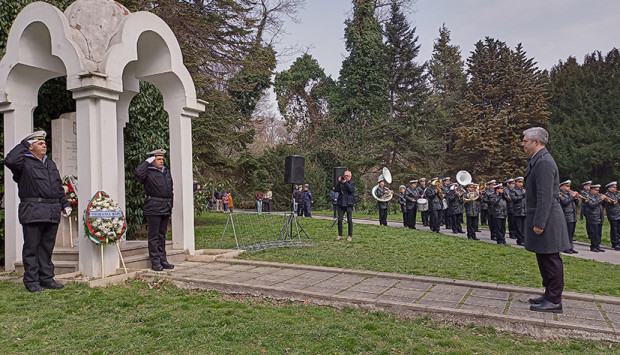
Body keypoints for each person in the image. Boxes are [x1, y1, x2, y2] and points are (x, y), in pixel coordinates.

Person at [5, 131, 71, 292]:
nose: (44, 145)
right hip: (33, 210)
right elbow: (10, 160)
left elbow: (57, 186)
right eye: (39, 143)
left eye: (44, 143)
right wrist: (23, 145)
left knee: (47, 248)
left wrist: (65, 204)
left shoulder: (50, 164)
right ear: (31, 146)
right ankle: (31, 281)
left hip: (51, 211)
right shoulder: (24, 163)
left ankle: (46, 278)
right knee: (32, 247)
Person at [522, 127, 570, 313]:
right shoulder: (538, 160)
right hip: (543, 216)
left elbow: (545, 197)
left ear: (536, 142)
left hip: (547, 218)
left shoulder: (544, 162)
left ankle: (555, 300)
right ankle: (549, 294)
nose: (522, 144)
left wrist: (540, 223)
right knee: (543, 257)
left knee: (551, 259)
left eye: (525, 141)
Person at [134, 149, 175, 272]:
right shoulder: (147, 172)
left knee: (162, 235)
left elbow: (170, 188)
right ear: (152, 160)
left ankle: (163, 259)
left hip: (166, 206)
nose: (161, 161)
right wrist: (146, 162)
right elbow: (137, 173)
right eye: (158, 159)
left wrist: (170, 204)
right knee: (154, 236)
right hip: (153, 206)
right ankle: (155, 261)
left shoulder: (166, 171)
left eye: (162, 159)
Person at [558, 180, 579, 254]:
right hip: (566, 215)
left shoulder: (569, 194)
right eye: (567, 186)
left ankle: (570, 247)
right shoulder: (560, 193)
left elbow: (576, 204)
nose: (569, 188)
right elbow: (564, 202)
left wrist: (576, 198)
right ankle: (565, 247)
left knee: (571, 233)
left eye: (569, 186)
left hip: (572, 215)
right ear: (562, 186)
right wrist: (572, 196)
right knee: (566, 233)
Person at [335, 171, 356, 241]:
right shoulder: (341, 183)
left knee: (349, 220)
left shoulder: (352, 183)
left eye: (347, 176)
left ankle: (350, 235)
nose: (345, 177)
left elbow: (351, 190)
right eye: (345, 175)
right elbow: (336, 189)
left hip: (348, 203)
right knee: (340, 220)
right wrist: (339, 181)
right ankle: (340, 235)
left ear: (350, 176)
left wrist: (345, 182)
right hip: (341, 203)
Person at [584, 184, 604, 252]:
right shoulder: (587, 196)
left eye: (598, 190)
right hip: (592, 216)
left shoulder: (597, 196)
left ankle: (598, 245)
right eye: (596, 190)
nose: (598, 191)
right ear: (591, 189)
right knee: (594, 232)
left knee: (599, 232)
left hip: (599, 216)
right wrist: (600, 199)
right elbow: (592, 205)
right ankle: (593, 246)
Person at [510, 177, 527, 246]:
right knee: (518, 227)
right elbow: (513, 199)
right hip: (518, 210)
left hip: (525, 210)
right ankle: (520, 240)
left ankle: (524, 239)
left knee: (524, 227)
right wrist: (522, 196)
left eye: (522, 182)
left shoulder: (523, 190)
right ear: (516, 183)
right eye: (519, 182)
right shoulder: (513, 190)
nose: (521, 184)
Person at [604, 182, 620, 250]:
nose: (615, 189)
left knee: (619, 229)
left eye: (616, 187)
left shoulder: (616, 194)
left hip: (618, 213)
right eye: (613, 187)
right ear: (609, 188)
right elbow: (614, 202)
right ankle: (614, 243)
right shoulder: (607, 194)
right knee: (614, 229)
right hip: (612, 214)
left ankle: (618, 242)